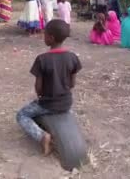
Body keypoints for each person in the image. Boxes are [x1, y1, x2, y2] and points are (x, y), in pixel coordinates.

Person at [16, 20, 82, 156]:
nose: (43, 36)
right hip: (66, 103)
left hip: (47, 103)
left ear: (51, 38)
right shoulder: (73, 57)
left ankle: (42, 137)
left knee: (22, 115)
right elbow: (72, 84)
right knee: (63, 110)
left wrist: (40, 98)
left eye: (45, 34)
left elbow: (38, 88)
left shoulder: (42, 59)